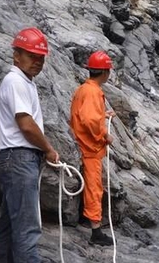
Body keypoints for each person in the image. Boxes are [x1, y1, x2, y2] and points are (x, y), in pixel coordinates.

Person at [0, 27, 60, 263]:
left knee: (10, 224)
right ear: (16, 55)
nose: (38, 62)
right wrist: (48, 149)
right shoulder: (16, 81)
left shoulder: (22, 81)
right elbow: (27, 125)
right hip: (20, 159)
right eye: (32, 56)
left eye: (40, 58)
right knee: (27, 229)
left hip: (14, 159)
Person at [70, 50, 115, 246]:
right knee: (94, 189)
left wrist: (103, 115)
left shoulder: (84, 89)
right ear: (105, 72)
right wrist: (104, 135)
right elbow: (88, 119)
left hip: (84, 146)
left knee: (92, 188)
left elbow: (86, 114)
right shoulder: (93, 91)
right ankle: (95, 232)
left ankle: (86, 218)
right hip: (90, 149)